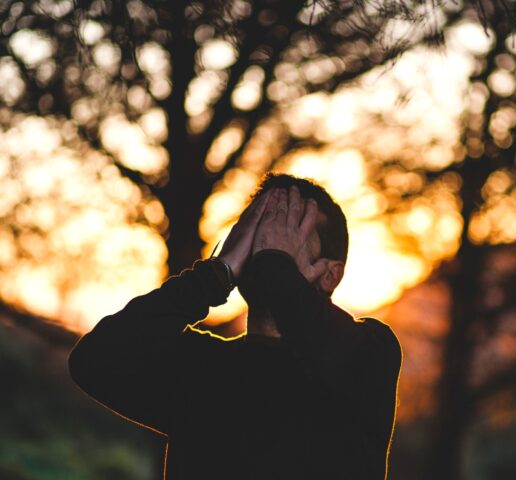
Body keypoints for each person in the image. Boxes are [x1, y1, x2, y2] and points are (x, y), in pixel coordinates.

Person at [68, 173, 402, 479]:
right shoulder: (200, 366)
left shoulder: (368, 351)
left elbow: (327, 346)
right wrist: (215, 275)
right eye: (258, 227)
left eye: (286, 231)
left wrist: (275, 264)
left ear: (330, 275)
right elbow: (94, 360)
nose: (265, 242)